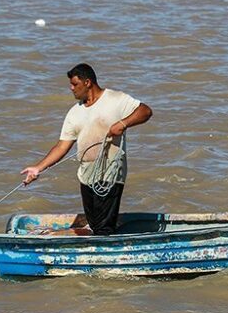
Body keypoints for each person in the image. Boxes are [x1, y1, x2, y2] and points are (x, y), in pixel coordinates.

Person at [21, 63, 152, 235]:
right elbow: (62, 146)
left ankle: (102, 255)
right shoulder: (74, 113)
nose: (71, 88)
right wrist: (38, 167)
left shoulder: (115, 99)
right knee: (94, 223)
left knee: (103, 227)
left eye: (75, 84)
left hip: (109, 172)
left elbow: (145, 111)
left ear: (88, 82)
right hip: (86, 175)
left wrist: (123, 123)